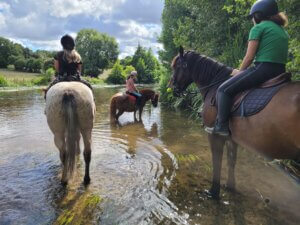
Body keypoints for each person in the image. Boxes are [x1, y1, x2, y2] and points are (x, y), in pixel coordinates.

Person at [205, 0, 289, 136]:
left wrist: (240, 71)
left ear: (258, 15)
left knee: (223, 90)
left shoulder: (259, 28)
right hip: (281, 71)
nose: (252, 21)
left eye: (252, 17)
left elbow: (249, 57)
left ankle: (221, 127)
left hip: (263, 69)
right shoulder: (282, 31)